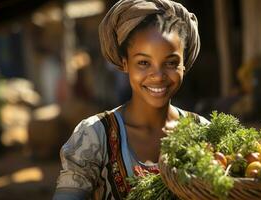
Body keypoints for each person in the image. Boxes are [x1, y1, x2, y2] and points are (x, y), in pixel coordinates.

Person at [53, 0, 208, 199]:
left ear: (183, 64)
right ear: (125, 64)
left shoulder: (203, 132)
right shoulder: (94, 137)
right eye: (143, 62)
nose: (158, 75)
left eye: (171, 62)